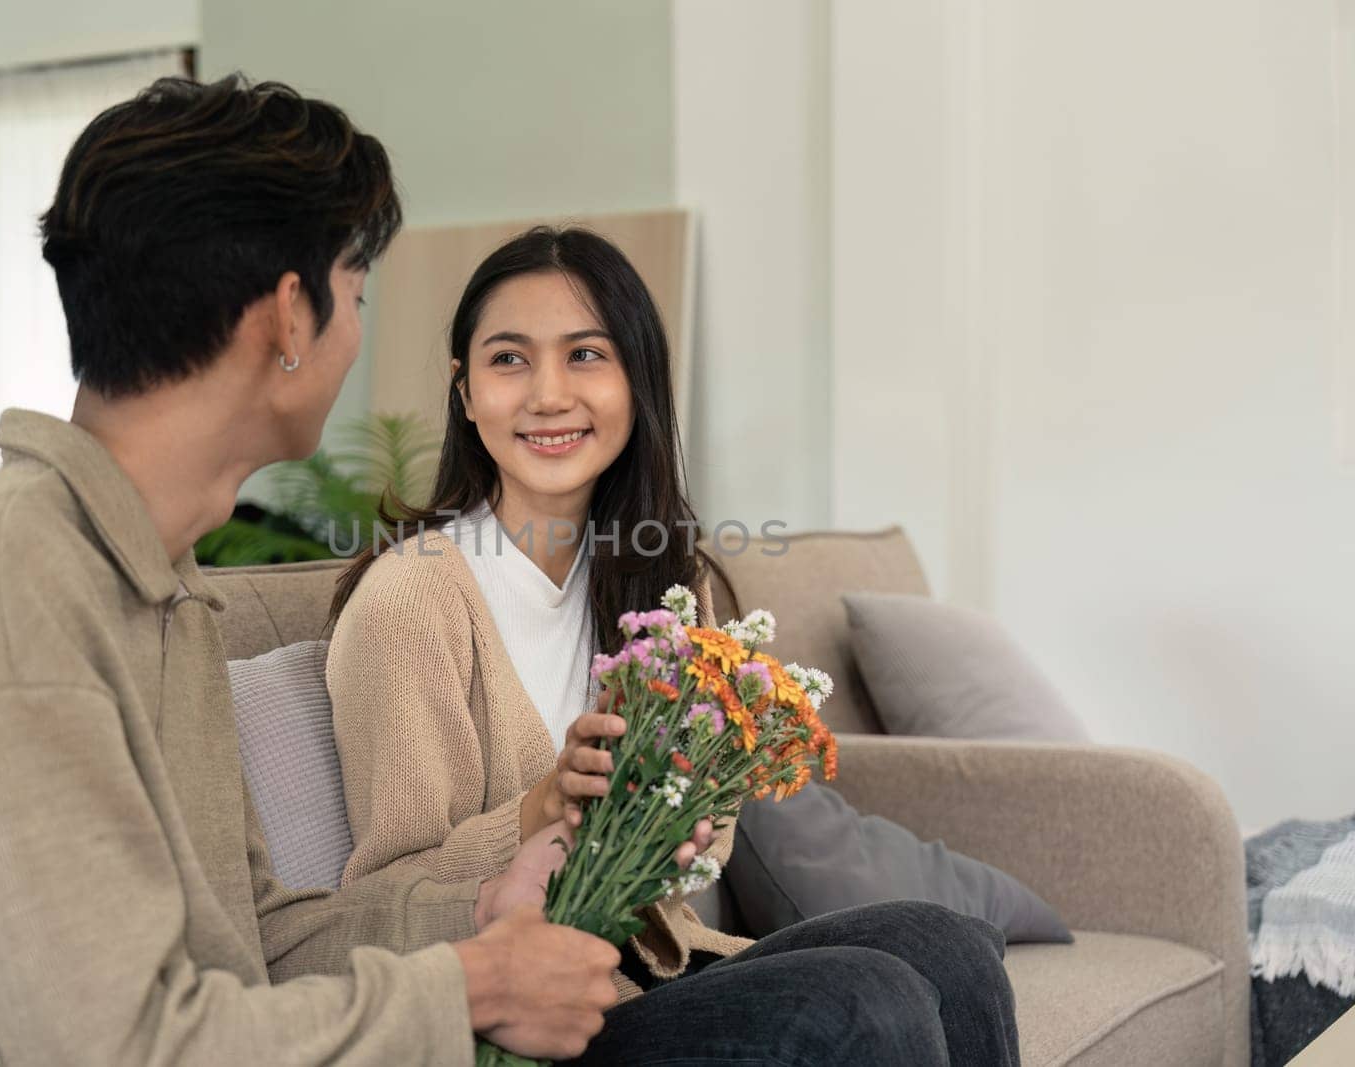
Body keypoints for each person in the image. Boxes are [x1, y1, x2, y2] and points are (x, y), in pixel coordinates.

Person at [0, 76, 651, 1066]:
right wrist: (471, 984)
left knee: (882, 959)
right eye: (355, 291)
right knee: (846, 1003)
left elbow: (257, 942)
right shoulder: (10, 577)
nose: (358, 330)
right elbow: (119, 1043)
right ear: (290, 319)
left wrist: (474, 907)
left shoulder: (155, 579)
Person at [326, 226, 1022, 1064]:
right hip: (522, 1028)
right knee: (866, 1000)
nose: (547, 393)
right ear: (465, 392)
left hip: (648, 977)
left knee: (951, 945)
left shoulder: (661, 583)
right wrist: (538, 811)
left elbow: (703, 848)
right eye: (509, 359)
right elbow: (378, 907)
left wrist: (680, 829)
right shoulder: (414, 599)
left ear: (638, 383)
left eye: (586, 355)